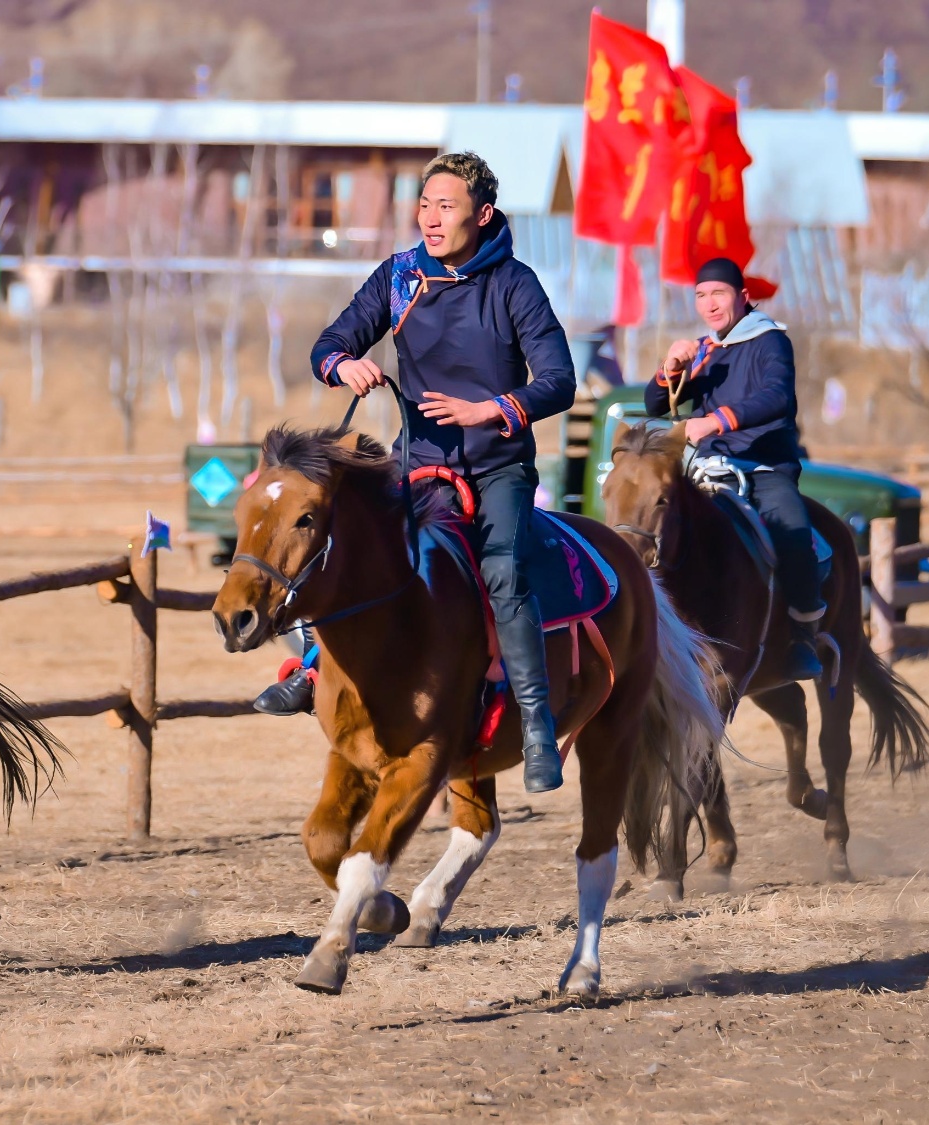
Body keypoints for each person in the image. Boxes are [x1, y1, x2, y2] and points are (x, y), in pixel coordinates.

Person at [252, 152, 577, 795]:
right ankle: (312, 668)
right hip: (417, 464)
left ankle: (538, 725)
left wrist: (491, 409)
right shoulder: (400, 276)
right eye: (424, 204)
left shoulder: (517, 284)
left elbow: (559, 380)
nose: (430, 218)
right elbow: (329, 344)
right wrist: (343, 365)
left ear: (482, 215)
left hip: (497, 468)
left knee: (504, 572)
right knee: (352, 547)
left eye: (446, 206)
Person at [648, 257, 823, 680]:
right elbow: (656, 405)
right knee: (652, 525)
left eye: (719, 294)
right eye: (701, 295)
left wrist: (715, 420)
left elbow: (776, 397)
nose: (709, 305)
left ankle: (804, 637)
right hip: (706, 469)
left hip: (763, 467)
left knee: (795, 537)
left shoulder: (771, 341)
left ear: (742, 297)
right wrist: (669, 370)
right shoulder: (704, 350)